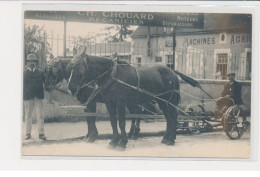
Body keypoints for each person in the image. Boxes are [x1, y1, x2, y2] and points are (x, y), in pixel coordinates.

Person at [23, 54, 46, 140]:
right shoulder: (24, 73)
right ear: (27, 63)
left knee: (40, 115)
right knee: (28, 115)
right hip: (27, 96)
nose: (32, 63)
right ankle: (28, 133)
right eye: (30, 61)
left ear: (36, 63)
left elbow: (45, 82)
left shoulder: (40, 72)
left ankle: (41, 133)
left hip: (38, 96)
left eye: (34, 61)